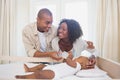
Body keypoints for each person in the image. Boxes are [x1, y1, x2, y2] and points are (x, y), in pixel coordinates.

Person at [22, 8, 95, 63]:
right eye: (47, 23)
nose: (50, 26)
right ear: (38, 19)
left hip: (52, 62)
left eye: (51, 22)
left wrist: (88, 47)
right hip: (35, 61)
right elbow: (30, 51)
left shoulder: (54, 30)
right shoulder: (27, 30)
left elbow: (71, 35)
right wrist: (50, 54)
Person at [15, 52, 91, 79]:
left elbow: (68, 61)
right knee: (41, 65)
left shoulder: (77, 65)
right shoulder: (75, 64)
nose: (76, 58)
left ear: (82, 64)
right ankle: (29, 70)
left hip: (55, 73)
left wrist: (69, 56)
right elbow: (65, 61)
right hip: (52, 67)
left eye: (79, 58)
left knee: (40, 74)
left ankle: (25, 77)